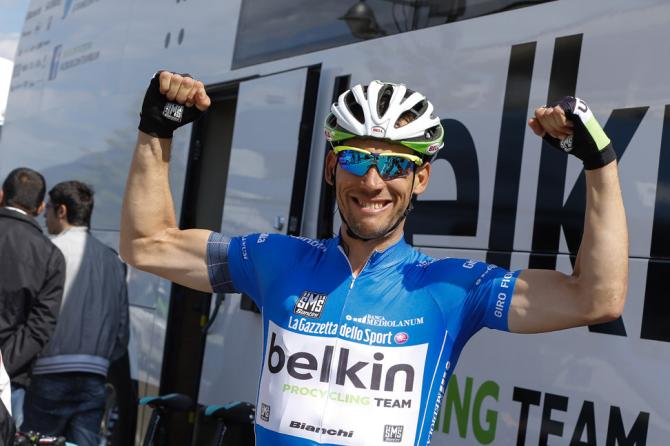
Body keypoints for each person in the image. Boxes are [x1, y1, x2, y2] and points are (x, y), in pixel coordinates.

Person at [120, 72, 627, 445]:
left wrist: (598, 161)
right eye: (356, 158)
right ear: (331, 168)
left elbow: (595, 298)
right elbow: (148, 244)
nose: (371, 181)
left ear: (420, 179)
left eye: (394, 165)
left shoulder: (453, 288)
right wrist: (156, 130)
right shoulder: (275, 260)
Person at [21, 181, 129, 446]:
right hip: (95, 376)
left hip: (49, 371)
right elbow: (122, 329)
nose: (44, 216)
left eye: (48, 209)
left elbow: (31, 314)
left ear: (62, 211)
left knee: (38, 440)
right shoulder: (113, 261)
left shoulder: (49, 251)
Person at [0, 167, 65, 430]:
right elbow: (40, 326)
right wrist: (3, 364)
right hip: (9, 381)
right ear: (39, 208)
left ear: (1, 195)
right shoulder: (50, 257)